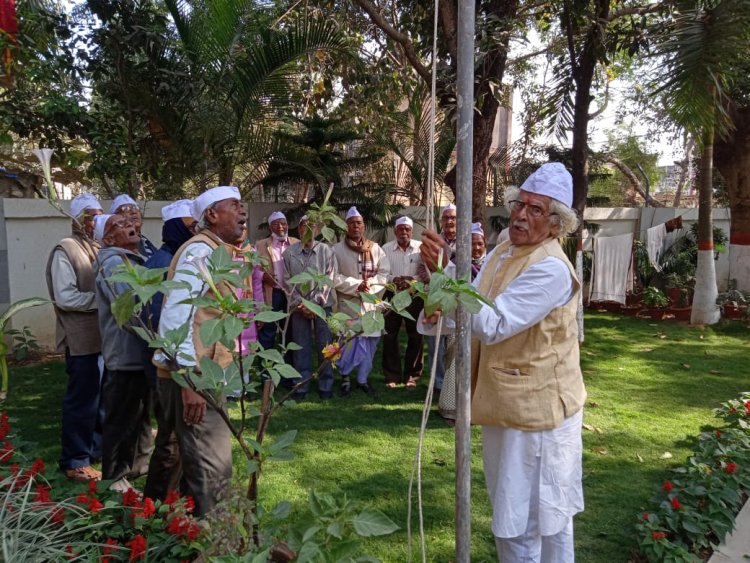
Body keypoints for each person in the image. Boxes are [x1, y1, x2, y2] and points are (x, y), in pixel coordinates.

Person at [419, 162, 586, 562]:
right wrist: (440, 296)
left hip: (539, 415)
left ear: (556, 225)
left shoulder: (550, 268)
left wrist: (444, 274)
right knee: (521, 516)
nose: (521, 216)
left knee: (532, 521)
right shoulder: (502, 252)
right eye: (519, 205)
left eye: (536, 210)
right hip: (505, 404)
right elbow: (471, 304)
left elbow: (493, 323)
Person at [151, 186, 246, 516]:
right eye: (234, 205)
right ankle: (221, 543)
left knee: (187, 461)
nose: (243, 211)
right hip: (195, 378)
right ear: (212, 215)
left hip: (202, 374)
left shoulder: (215, 251)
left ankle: (170, 530)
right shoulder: (199, 252)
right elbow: (176, 318)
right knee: (213, 466)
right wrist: (189, 381)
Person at [45, 193, 105, 482]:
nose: (97, 221)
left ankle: (95, 449)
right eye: (91, 216)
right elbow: (66, 296)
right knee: (82, 399)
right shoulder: (66, 249)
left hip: (101, 336)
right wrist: (102, 301)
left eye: (99, 214)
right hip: (80, 338)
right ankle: (75, 460)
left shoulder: (97, 246)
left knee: (99, 396)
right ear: (77, 220)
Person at [93, 214, 153, 492]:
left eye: (129, 222)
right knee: (120, 420)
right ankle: (115, 479)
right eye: (117, 225)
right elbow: (130, 311)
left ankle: (134, 470)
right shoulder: (114, 263)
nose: (129, 226)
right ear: (107, 239)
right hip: (124, 355)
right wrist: (152, 335)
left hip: (135, 354)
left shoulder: (130, 259)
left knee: (137, 416)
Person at [141, 199, 195, 501]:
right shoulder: (165, 263)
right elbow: (166, 321)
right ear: (175, 229)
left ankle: (177, 501)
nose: (195, 232)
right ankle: (157, 505)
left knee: (178, 439)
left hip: (176, 364)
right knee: (171, 440)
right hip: (171, 368)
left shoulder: (178, 256)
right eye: (190, 227)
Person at [332, 206, 390, 396]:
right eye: (351, 223)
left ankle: (363, 379)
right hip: (348, 306)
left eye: (359, 223)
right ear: (346, 227)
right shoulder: (337, 250)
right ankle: (345, 378)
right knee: (347, 343)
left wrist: (370, 285)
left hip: (371, 306)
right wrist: (357, 285)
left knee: (370, 344)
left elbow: (384, 273)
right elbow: (334, 277)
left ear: (363, 226)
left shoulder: (375, 249)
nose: (355, 226)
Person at [282, 215, 338, 400]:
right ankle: (301, 385)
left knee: (326, 346)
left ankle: (326, 385)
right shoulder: (289, 253)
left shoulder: (326, 251)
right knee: (300, 347)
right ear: (298, 229)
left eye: (311, 226)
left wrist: (315, 304)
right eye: (303, 226)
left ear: (317, 229)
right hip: (298, 308)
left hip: (322, 306)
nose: (307, 230)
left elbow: (329, 279)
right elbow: (287, 281)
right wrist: (301, 304)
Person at [381, 216, 424, 389]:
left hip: (415, 297)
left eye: (407, 229)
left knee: (416, 336)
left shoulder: (421, 248)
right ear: (395, 231)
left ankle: (412, 376)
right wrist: (395, 279)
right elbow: (383, 272)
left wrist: (411, 280)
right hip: (393, 295)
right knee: (390, 335)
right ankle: (392, 375)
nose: (404, 232)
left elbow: (426, 273)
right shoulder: (386, 249)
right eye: (401, 229)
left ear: (411, 231)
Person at [419, 203, 457, 398]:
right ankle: (438, 383)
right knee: (435, 344)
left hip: (456, 301)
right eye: (446, 218)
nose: (450, 221)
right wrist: (433, 278)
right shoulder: (434, 241)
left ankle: (452, 387)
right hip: (434, 298)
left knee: (454, 346)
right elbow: (421, 267)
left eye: (453, 218)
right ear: (441, 221)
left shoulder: (466, 242)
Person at [255, 211, 299, 355]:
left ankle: (288, 371)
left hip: (292, 294)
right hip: (272, 293)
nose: (280, 226)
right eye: (276, 224)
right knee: (268, 331)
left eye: (283, 223)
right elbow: (253, 269)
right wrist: (264, 276)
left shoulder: (296, 244)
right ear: (270, 228)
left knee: (290, 332)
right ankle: (266, 373)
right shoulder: (260, 245)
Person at [110, 194, 157, 258]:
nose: (134, 211)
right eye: (126, 209)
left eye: (136, 208)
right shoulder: (116, 246)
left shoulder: (145, 242)